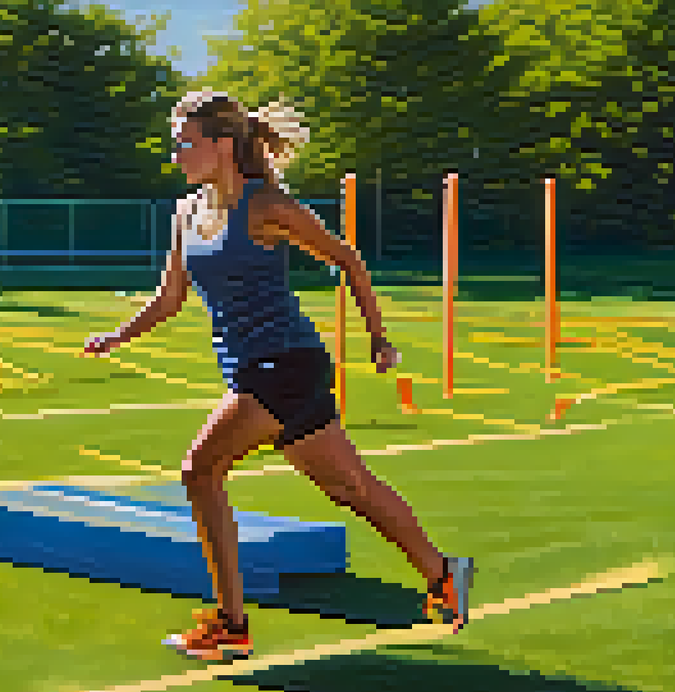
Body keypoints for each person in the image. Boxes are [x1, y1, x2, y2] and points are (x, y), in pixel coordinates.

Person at [84, 90, 474, 661]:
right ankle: (444, 572)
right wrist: (119, 335)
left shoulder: (267, 207)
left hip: (285, 365)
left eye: (187, 144)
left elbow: (348, 259)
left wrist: (378, 337)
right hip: (257, 369)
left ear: (222, 145)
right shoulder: (185, 214)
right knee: (351, 488)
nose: (178, 155)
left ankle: (229, 623)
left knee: (200, 471)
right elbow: (170, 300)